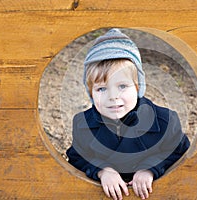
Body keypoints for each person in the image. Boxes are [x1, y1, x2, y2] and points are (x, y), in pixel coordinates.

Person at [66, 28, 190, 200]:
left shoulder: (165, 121)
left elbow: (180, 153)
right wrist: (102, 170)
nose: (113, 96)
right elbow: (77, 157)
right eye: (102, 89)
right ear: (90, 93)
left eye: (122, 86)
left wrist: (150, 168)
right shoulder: (83, 124)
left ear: (138, 86)